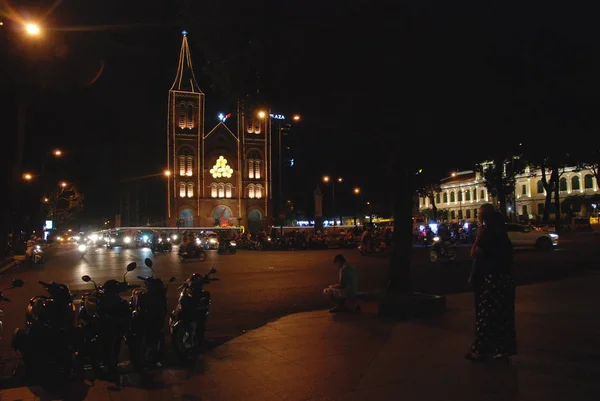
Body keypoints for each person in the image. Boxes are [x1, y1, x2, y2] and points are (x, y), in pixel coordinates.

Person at [467, 204, 517, 361]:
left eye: (479, 213)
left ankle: (481, 350)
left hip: (492, 279)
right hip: (505, 278)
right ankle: (503, 349)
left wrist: (478, 237)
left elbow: (475, 253)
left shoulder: (487, 233)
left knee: (486, 316)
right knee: (503, 316)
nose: (478, 216)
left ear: (484, 216)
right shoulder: (500, 231)